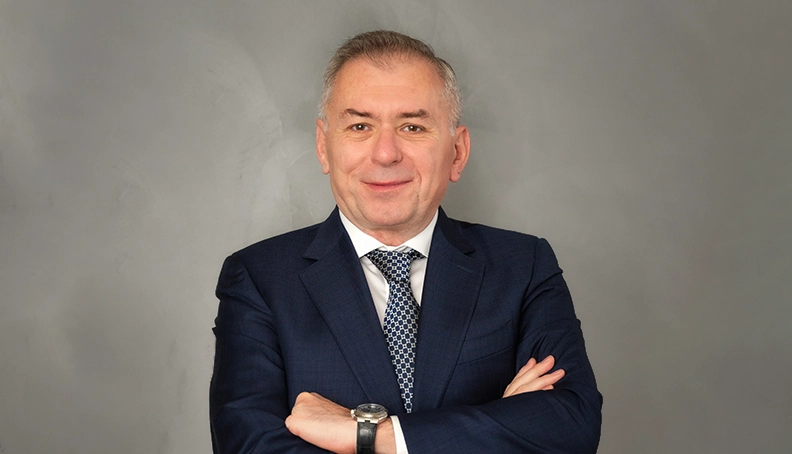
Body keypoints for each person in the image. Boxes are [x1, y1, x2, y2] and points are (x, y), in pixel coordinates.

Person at [210, 30, 602, 453]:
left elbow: (571, 427)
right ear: (324, 147)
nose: (385, 153)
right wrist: (498, 424)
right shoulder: (259, 279)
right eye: (360, 126)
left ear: (457, 152)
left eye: (412, 127)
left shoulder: (523, 266)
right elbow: (248, 447)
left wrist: (370, 436)